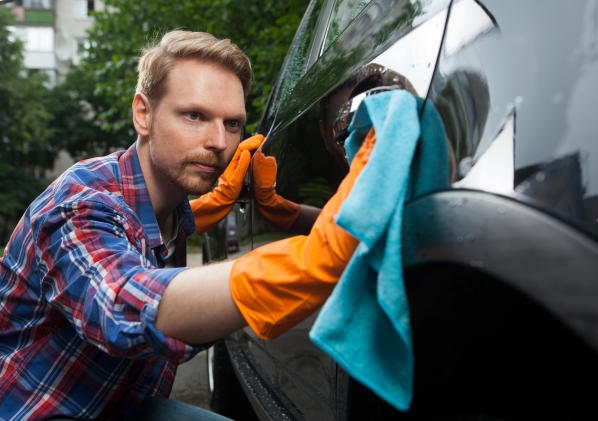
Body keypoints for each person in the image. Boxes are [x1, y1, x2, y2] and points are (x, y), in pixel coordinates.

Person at [0, 30, 375, 420]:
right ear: (143, 113)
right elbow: (119, 304)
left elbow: (174, 229)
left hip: (120, 405)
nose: (218, 141)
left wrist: (288, 213)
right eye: (194, 115)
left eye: (232, 124)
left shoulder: (172, 210)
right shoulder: (79, 203)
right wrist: (312, 260)